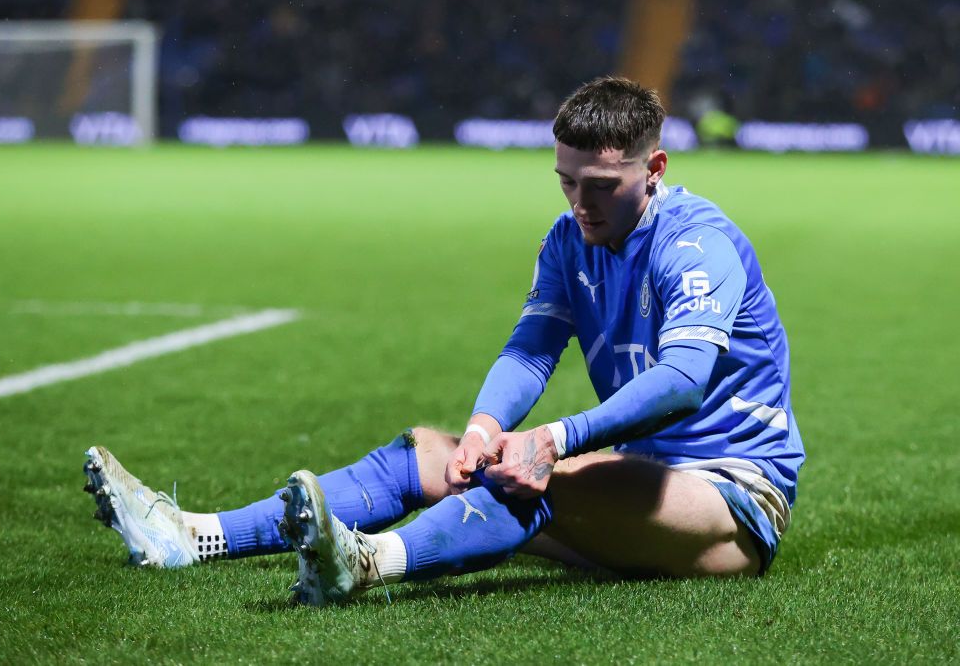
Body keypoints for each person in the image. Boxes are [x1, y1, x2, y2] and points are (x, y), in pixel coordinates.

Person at [83, 77, 804, 605]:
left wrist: (552, 437)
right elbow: (531, 349)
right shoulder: (568, 239)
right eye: (566, 182)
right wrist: (486, 426)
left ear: (655, 169)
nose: (579, 204)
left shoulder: (698, 242)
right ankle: (194, 533)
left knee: (532, 473)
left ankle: (366, 562)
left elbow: (684, 377)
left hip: (730, 498)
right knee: (430, 452)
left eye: (600, 186)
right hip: (639, 477)